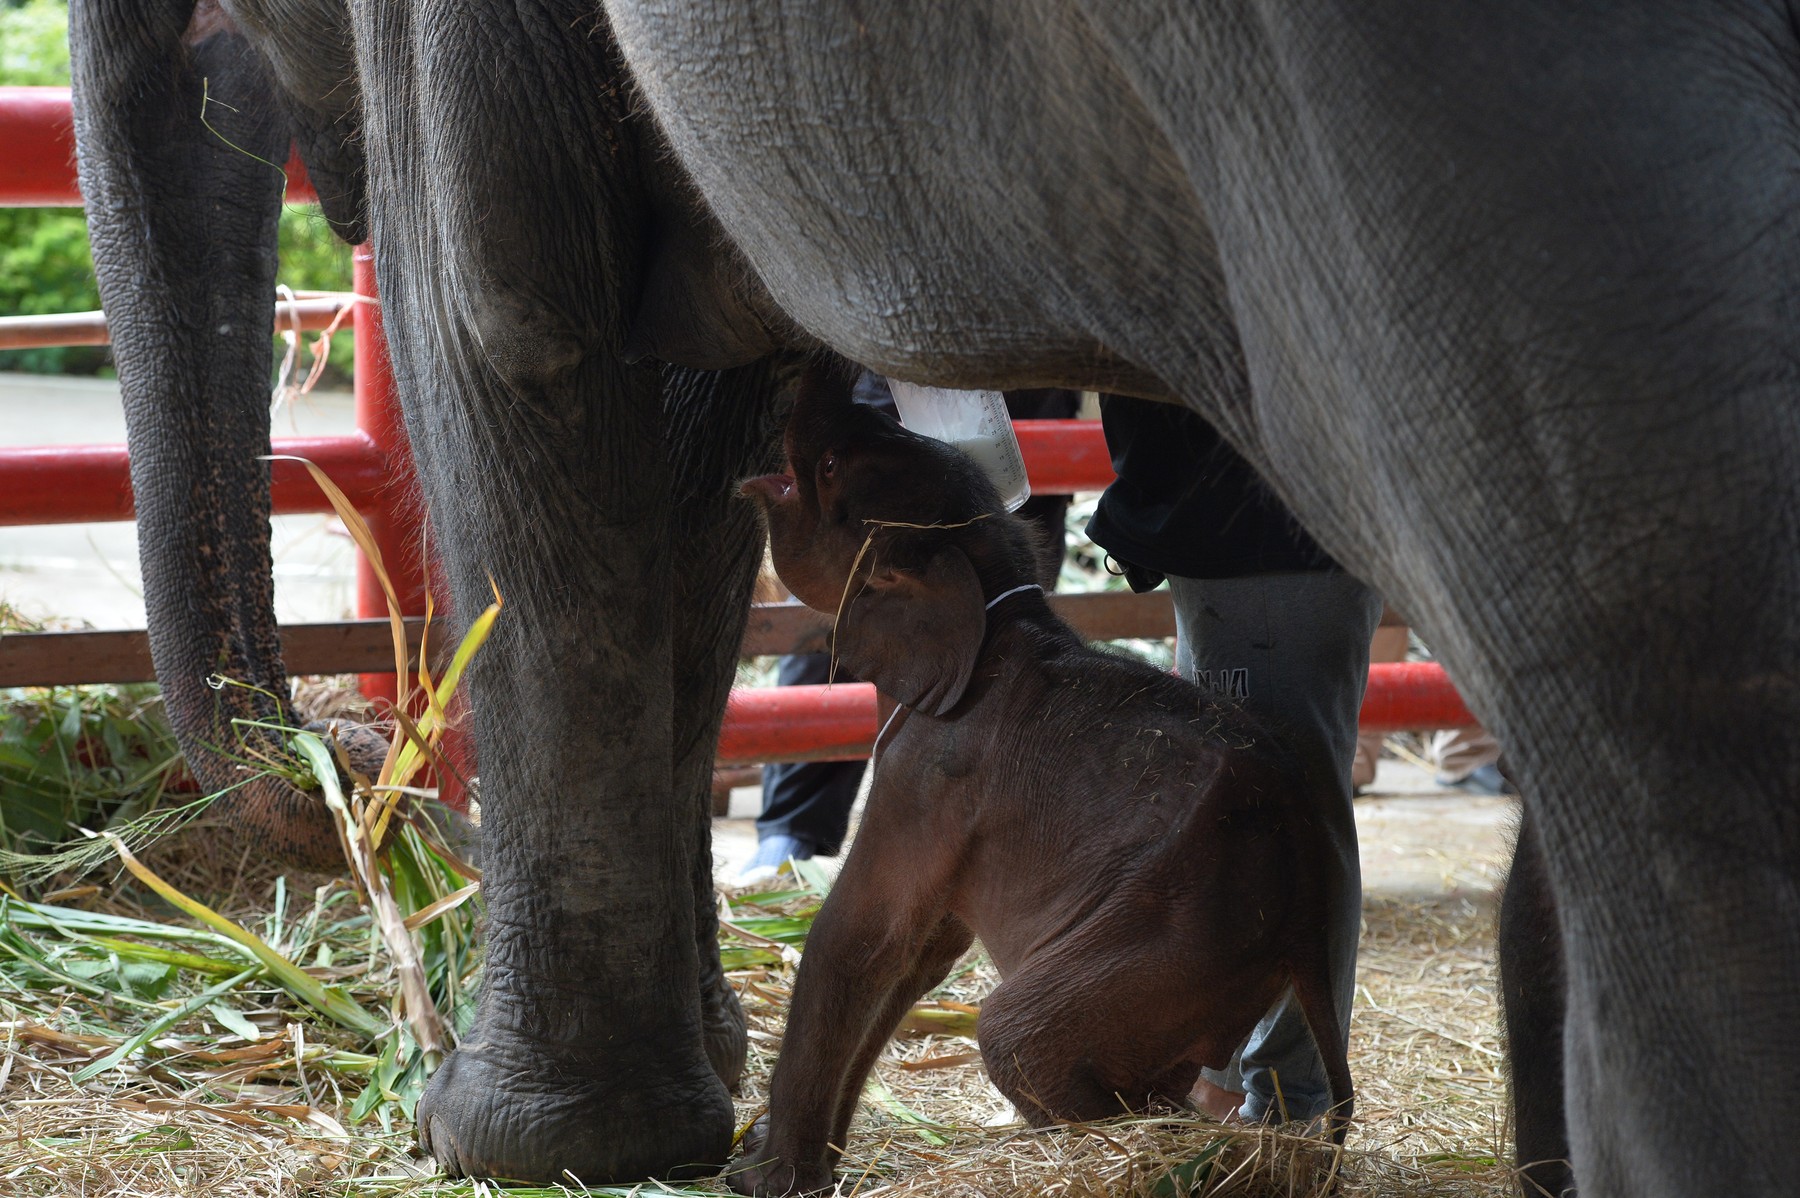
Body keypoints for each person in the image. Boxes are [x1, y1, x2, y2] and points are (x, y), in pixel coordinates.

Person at [1086, 396, 1380, 1127]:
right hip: (1244, 518)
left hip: (1260, 519)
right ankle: (1246, 1084)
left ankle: (1283, 1100)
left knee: (1280, 817)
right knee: (1258, 811)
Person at [735, 377, 1080, 886]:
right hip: (892, 383)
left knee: (1002, 627)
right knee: (849, 589)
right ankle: (796, 828)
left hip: (1025, 388)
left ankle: (990, 822)